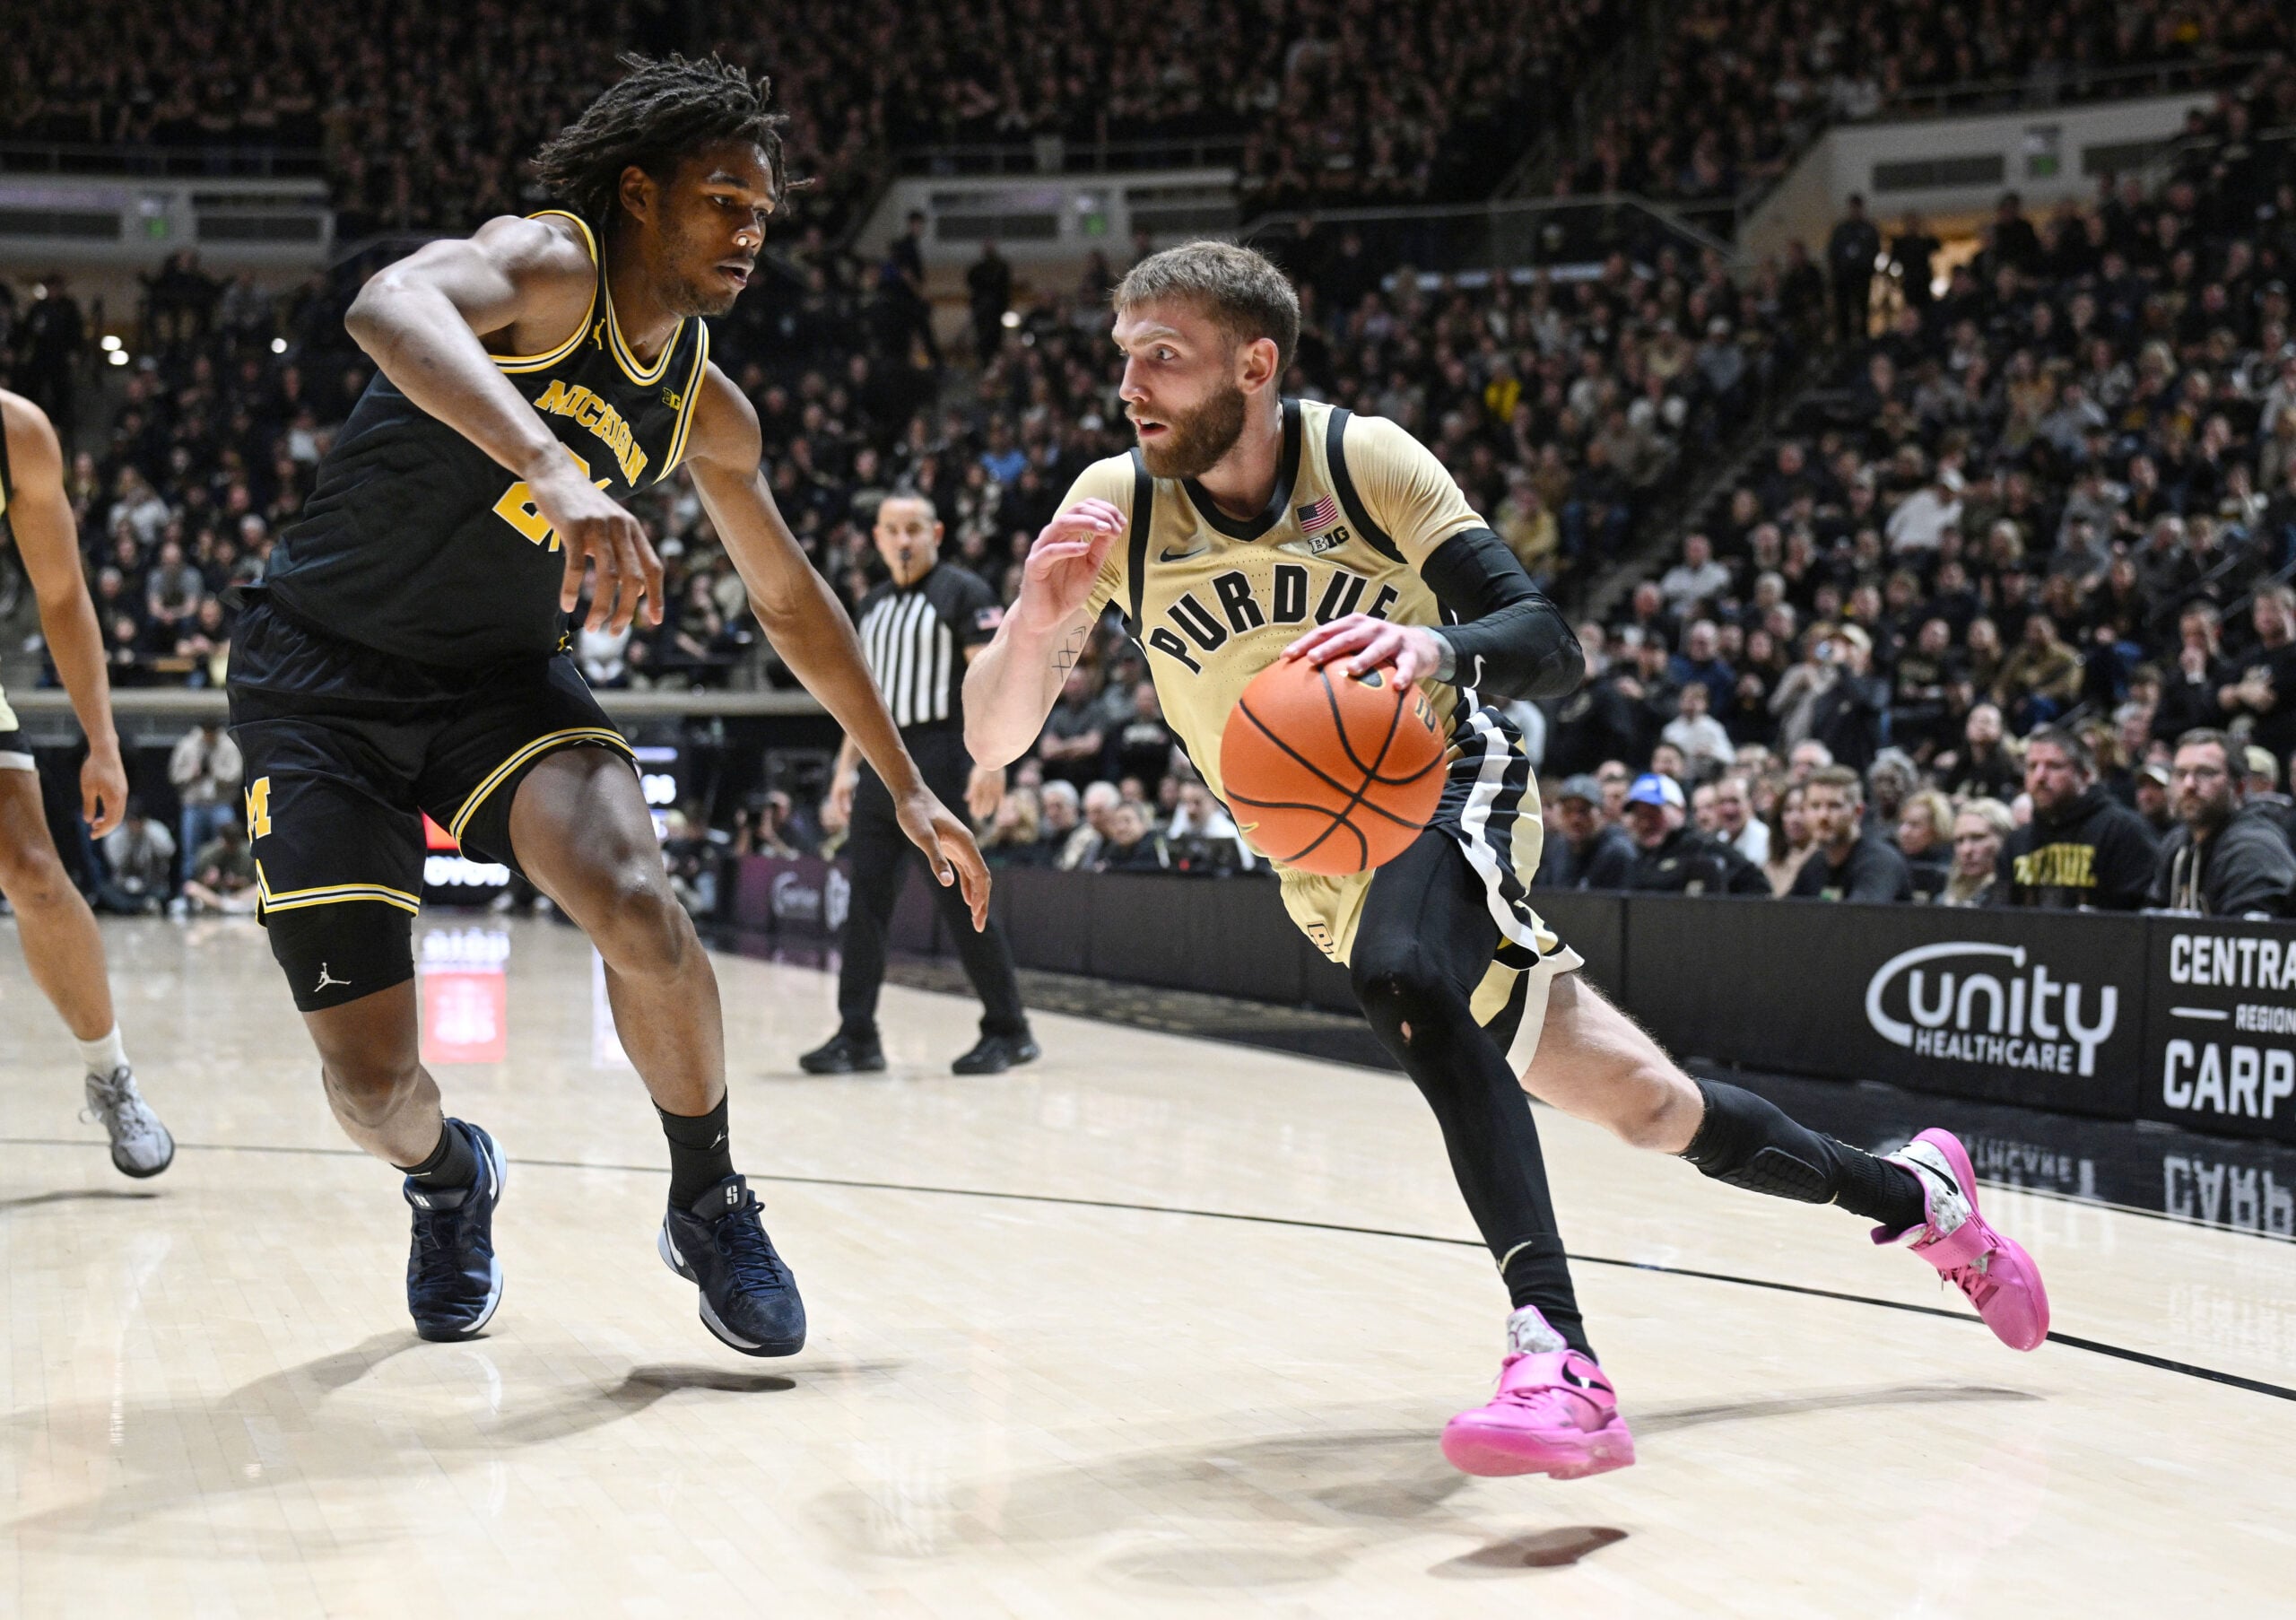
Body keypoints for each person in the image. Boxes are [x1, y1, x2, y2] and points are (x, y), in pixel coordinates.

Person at [962, 241, 2044, 1484]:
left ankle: (1561, 1356)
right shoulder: (1119, 505)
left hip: (1439, 775)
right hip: (1321, 858)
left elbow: (1549, 640)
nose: (1132, 386)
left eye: (1165, 356)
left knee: (1409, 969)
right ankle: (1918, 1197)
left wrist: (1434, 648)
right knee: (1647, 1104)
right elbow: (995, 734)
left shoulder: (1363, 462)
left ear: (1254, 364)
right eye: (1124, 358)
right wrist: (1039, 620)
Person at [223, 57, 988, 1354]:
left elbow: (793, 603)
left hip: (500, 681)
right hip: (318, 678)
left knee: (638, 897)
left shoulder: (705, 407)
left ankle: (708, 1198)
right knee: (368, 1086)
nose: (750, 233)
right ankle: (452, 1175)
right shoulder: (548, 263)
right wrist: (551, 467)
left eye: (764, 213)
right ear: (640, 195)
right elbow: (386, 301)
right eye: (723, 202)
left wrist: (906, 779)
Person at [0, 389, 175, 1176]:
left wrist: (102, 740)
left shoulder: (16, 433)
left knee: (35, 876)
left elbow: (64, 593)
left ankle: (111, 1075)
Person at [804, 493, 1036, 1076]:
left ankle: (1009, 1029)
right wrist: (842, 768)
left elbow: (989, 677)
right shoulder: (874, 603)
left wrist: (992, 759)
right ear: (877, 539)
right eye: (891, 530)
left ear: (935, 532)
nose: (903, 540)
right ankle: (857, 1034)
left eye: (914, 529)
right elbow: (864, 697)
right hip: (881, 761)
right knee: (865, 903)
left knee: (961, 901)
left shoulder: (965, 591)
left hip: (942, 756)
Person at [1997, 727, 2155, 910]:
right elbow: (2001, 917)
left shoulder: (2124, 832)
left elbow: (2140, 918)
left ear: (2086, 775)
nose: (2040, 777)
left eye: (2054, 766)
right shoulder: (2017, 842)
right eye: (2032, 767)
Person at [2149, 729, 2296, 918]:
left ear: (2239, 787)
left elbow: (2246, 938)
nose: (2189, 785)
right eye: (2180, 773)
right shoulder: (2176, 844)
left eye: (2206, 773)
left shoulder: (2254, 849)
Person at [1621, 772, 1769, 895]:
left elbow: (1757, 885)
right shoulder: (1634, 856)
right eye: (1639, 816)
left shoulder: (1701, 848)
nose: (1646, 823)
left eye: (1654, 814)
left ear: (1679, 811)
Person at [1789, 767, 1913, 901]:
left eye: (1834, 806)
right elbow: (1783, 913)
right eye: (1815, 806)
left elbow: (1860, 917)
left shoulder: (1881, 862)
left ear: (1858, 811)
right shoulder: (1815, 863)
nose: (1823, 816)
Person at [1533, 774, 1634, 889]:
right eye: (1568, 810)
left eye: (1583, 811)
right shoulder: (1555, 848)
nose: (1575, 819)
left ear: (1602, 813)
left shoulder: (1617, 852)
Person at [1827, 194, 1882, 346]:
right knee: (1843, 311)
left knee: (1863, 310)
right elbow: (1832, 253)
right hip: (1843, 277)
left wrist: (1868, 267)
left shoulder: (1869, 229)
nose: (1855, 211)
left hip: (1862, 277)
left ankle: (1863, 342)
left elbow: (1875, 251)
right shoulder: (1840, 229)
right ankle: (1843, 344)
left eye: (1857, 208)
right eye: (1852, 207)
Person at [1940, 799, 2013, 908]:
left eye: (1978, 838)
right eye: (1959, 840)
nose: (1966, 850)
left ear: (2004, 838)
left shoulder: (2016, 897)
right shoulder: (1943, 898)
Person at [1894, 788, 1954, 902]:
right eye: (1902, 823)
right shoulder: (1893, 860)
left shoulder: (1953, 868)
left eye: (1914, 825)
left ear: (1936, 829)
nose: (1903, 832)